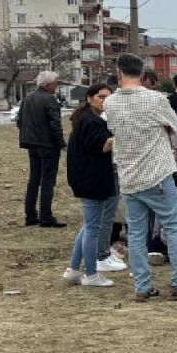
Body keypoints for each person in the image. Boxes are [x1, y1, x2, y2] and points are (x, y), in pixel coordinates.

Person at [104, 52, 177, 302]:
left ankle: (142, 286)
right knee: (173, 228)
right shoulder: (155, 99)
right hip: (157, 174)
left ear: (119, 73)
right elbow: (175, 126)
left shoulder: (110, 103)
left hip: (129, 176)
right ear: (142, 73)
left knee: (137, 233)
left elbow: (114, 129)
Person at [62, 83, 117, 288]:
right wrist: (122, 135)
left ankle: (73, 269)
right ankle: (91, 274)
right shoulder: (91, 122)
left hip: (87, 178)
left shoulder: (85, 119)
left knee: (88, 225)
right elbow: (102, 146)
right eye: (100, 97)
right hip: (92, 179)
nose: (104, 101)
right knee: (93, 227)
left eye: (108, 98)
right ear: (89, 98)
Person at [18, 71, 68, 228]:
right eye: (55, 83)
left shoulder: (27, 98)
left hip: (31, 144)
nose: (57, 86)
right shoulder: (50, 100)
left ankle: (31, 216)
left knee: (34, 180)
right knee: (47, 181)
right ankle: (46, 217)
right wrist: (61, 144)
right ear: (48, 85)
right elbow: (55, 125)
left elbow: (20, 121)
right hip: (48, 146)